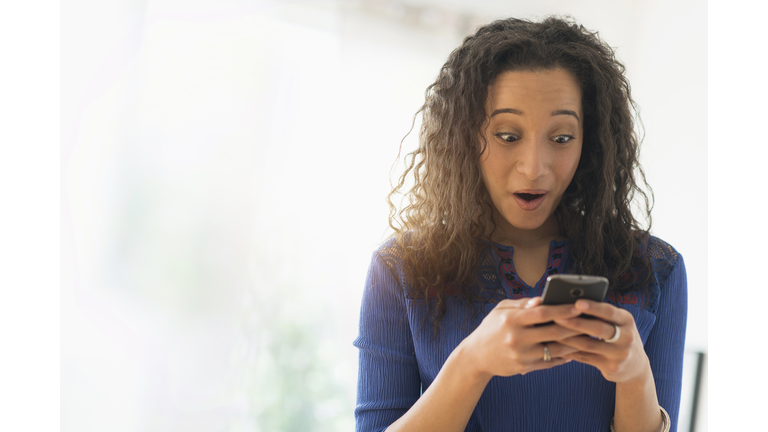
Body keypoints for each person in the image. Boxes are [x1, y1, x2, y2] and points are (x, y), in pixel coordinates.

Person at [353, 16, 687, 432]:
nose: (534, 169)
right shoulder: (400, 268)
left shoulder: (655, 270)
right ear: (464, 136)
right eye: (508, 135)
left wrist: (636, 375)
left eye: (561, 137)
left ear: (592, 140)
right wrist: (471, 362)